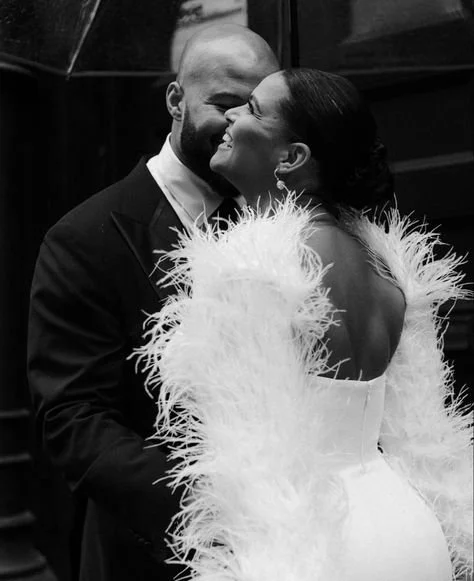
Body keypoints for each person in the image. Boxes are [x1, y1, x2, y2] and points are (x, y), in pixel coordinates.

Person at [137, 69, 473, 580]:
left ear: (292, 157)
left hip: (315, 540)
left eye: (252, 109)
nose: (230, 117)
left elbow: (247, 459)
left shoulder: (252, 266)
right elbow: (418, 424)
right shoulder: (385, 264)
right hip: (408, 528)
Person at [27, 24, 279, 581]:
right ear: (175, 100)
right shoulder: (84, 237)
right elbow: (74, 418)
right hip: (150, 551)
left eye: (257, 109)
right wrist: (210, 512)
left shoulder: (282, 219)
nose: (241, 124)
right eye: (225, 104)